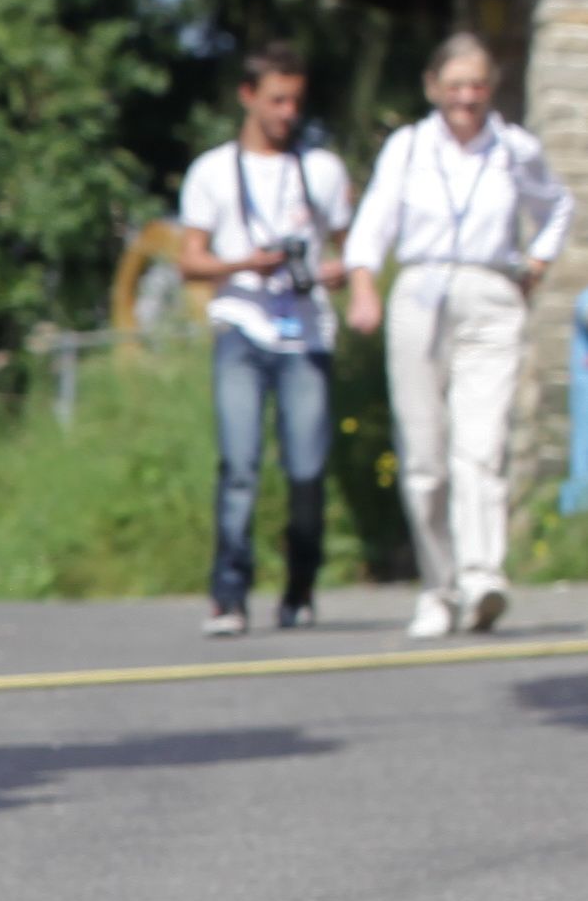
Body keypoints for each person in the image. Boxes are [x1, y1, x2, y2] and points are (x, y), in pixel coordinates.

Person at [346, 32, 572, 637]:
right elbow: (372, 227)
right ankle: (438, 586)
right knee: (424, 456)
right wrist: (363, 286)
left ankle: (482, 577)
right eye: (455, 86)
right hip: (421, 292)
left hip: (491, 293)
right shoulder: (409, 147)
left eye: (476, 86)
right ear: (433, 88)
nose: (466, 98)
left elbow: (556, 205)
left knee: (481, 445)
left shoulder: (514, 148)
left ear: (490, 90)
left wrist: (538, 264)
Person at [173, 42, 353, 637]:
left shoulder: (322, 170)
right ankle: (229, 593)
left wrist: (335, 271)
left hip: (305, 335)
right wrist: (245, 263)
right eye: (276, 100)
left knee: (306, 469)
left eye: (296, 101)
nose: (287, 113)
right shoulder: (212, 172)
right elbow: (189, 260)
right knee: (240, 464)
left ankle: (300, 588)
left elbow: (355, 252)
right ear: (248, 97)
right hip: (242, 330)